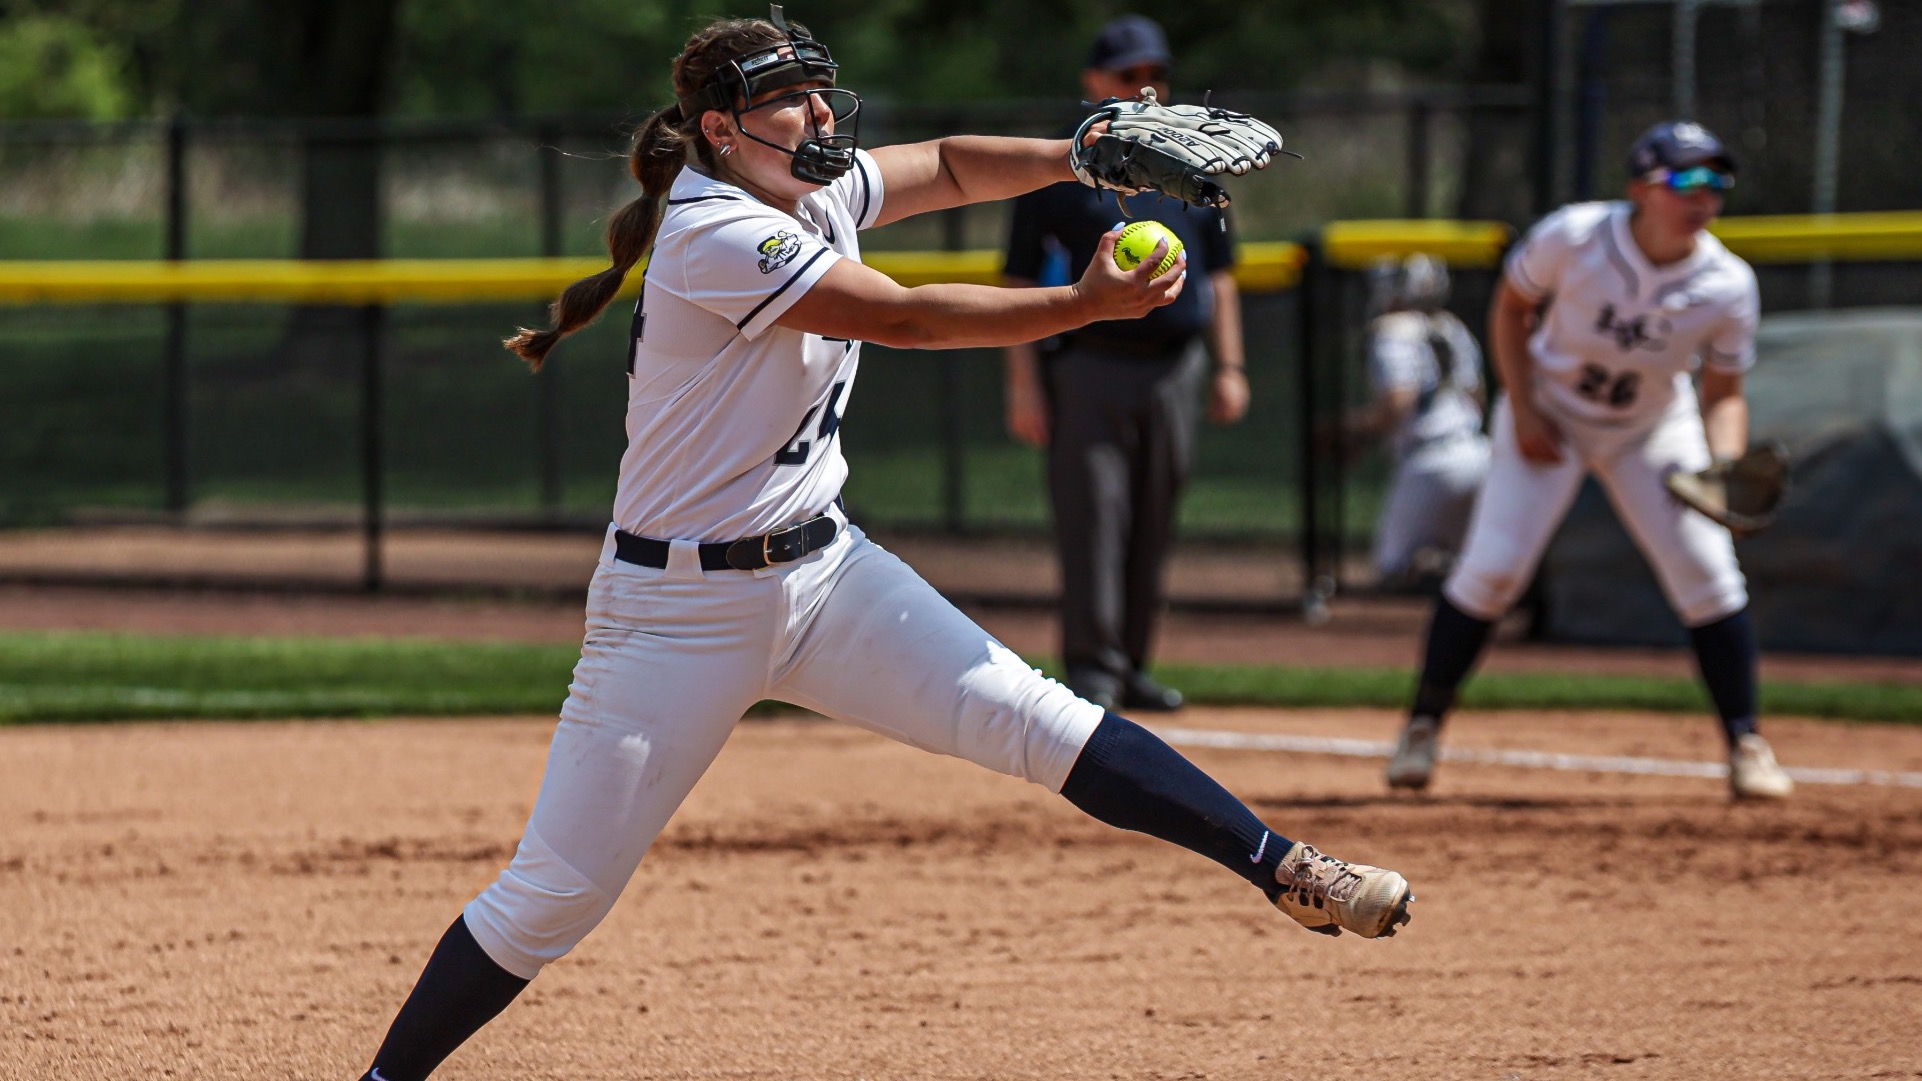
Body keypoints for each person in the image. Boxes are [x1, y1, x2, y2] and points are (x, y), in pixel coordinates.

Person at [353, 11, 1411, 1080]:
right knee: (552, 899)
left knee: (1038, 717)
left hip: (825, 575)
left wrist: (1077, 153)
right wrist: (1080, 306)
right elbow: (896, 318)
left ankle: (1283, 867)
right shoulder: (714, 229)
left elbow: (947, 164)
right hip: (673, 612)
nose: (818, 114)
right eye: (788, 101)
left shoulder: (806, 185)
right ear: (719, 129)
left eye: (821, 91)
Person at [1382, 120, 1795, 801]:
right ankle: (1420, 728)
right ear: (1640, 187)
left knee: (1709, 573)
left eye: (1717, 181)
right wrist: (1524, 405)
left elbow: (1723, 393)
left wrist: (1722, 463)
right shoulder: (1574, 236)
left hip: (1650, 429)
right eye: (1686, 179)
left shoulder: (1727, 282)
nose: (1704, 195)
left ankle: (1747, 744)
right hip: (1550, 414)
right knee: (1491, 572)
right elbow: (1512, 309)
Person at [1001, 14, 1249, 714]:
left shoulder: (1194, 165)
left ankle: (1134, 664)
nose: (1145, 86)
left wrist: (1230, 366)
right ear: (1094, 83)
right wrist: (1025, 385)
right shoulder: (1060, 168)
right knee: (1093, 523)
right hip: (1087, 367)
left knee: (1153, 522)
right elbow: (1019, 279)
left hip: (1176, 366)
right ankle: (1094, 672)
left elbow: (1222, 276)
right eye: (1128, 75)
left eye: (1155, 75)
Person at [1345, 253, 1491, 591]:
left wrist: (1354, 429)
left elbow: (1398, 402)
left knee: (1391, 568)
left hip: (1429, 463)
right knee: (1469, 564)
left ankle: (1434, 572)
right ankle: (1447, 569)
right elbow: (1477, 397)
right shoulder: (1453, 328)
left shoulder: (1390, 332)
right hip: (1480, 452)